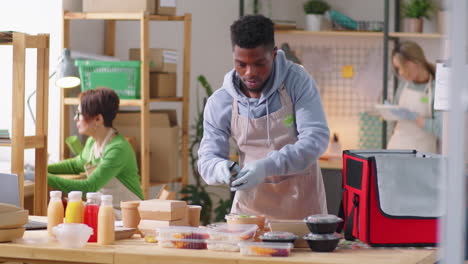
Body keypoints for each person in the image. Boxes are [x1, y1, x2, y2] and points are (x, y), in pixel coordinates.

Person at [197, 15, 329, 220]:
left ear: (274, 55)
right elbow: (207, 161)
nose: (250, 73)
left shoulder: (297, 82)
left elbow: (315, 140)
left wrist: (266, 166)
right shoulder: (221, 102)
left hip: (301, 210)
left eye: (259, 64)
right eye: (241, 64)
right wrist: (221, 169)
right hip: (249, 213)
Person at [48, 87, 144, 219]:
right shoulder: (92, 143)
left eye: (79, 114)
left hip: (127, 215)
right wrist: (42, 168)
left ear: (98, 119)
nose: (75, 118)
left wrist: (43, 177)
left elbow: (90, 186)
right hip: (109, 208)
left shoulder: (117, 149)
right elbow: (75, 165)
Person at [388, 41, 442, 153]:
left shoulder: (437, 89)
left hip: (422, 155)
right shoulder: (403, 86)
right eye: (397, 69)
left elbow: (440, 129)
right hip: (395, 150)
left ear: (414, 63)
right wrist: (387, 112)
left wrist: (416, 118)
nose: (400, 73)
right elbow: (392, 125)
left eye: (401, 67)